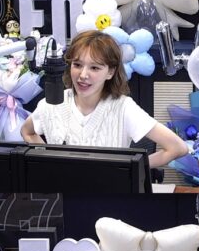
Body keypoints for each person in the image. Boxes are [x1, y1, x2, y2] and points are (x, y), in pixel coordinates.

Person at [21, 30, 188, 169]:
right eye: (77, 65)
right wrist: (47, 160)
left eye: (94, 68)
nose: (83, 75)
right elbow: (27, 132)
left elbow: (177, 148)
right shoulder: (52, 103)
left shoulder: (123, 107)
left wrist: (130, 169)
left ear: (110, 72)